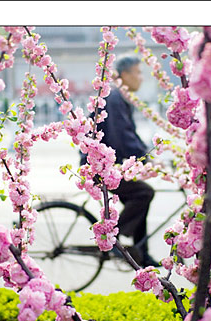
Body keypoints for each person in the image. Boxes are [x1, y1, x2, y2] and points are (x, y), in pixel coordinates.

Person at [82, 55, 159, 268]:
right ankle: (111, 240)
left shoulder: (120, 98)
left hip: (107, 166)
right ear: (124, 75)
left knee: (140, 197)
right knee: (144, 193)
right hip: (97, 167)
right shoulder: (115, 99)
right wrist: (145, 158)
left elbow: (130, 135)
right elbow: (122, 137)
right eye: (138, 72)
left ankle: (142, 254)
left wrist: (145, 155)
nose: (141, 78)